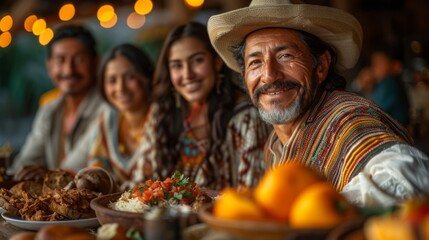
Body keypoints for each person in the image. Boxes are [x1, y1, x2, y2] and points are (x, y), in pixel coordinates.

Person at [207, 0, 429, 207]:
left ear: (321, 66)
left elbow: (410, 176)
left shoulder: (348, 117)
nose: (269, 76)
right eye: (255, 62)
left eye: (285, 56)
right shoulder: (276, 142)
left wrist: (317, 210)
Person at [133, 21, 271, 190]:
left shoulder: (246, 117)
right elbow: (140, 184)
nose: (187, 74)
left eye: (197, 60)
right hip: (160, 216)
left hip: (224, 215)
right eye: (177, 65)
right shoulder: (162, 112)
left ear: (217, 62)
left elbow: (250, 193)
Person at [9, 24, 106, 181]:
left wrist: (47, 175)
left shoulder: (107, 107)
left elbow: (77, 166)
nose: (69, 70)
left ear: (96, 63)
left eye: (79, 59)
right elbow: (25, 162)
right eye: (60, 60)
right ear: (49, 66)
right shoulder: (49, 109)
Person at [64, 43, 154, 189]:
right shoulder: (107, 119)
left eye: (130, 77)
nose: (120, 88)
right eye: (112, 80)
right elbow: (96, 169)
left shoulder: (163, 118)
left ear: (147, 77)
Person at [369, 44, 411, 127]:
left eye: (379, 63)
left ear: (395, 65)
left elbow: (372, 111)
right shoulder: (389, 83)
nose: (374, 67)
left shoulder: (389, 83)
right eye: (373, 63)